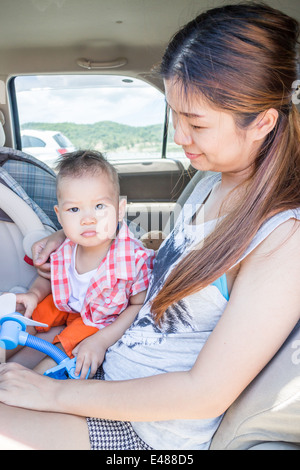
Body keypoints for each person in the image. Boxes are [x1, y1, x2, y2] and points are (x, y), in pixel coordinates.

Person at [0, 2, 300, 451]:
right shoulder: (213, 182)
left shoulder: (283, 238)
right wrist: (71, 243)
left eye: (195, 122)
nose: (180, 136)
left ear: (262, 122)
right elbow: (170, 267)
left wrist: (53, 393)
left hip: (147, 432)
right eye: (174, 115)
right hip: (108, 371)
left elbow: (205, 394)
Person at [14, 150, 155, 378]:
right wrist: (33, 294)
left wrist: (101, 340)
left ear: (120, 210)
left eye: (99, 206)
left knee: (67, 346)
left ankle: (37, 380)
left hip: (99, 319)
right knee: (21, 319)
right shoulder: (65, 246)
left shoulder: (132, 259)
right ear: (60, 216)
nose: (87, 218)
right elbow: (50, 277)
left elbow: (138, 306)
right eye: (74, 209)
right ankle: (6, 351)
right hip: (64, 305)